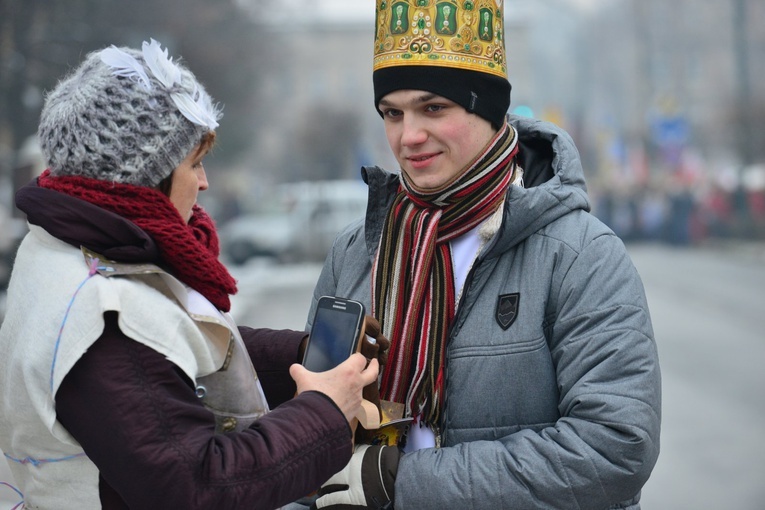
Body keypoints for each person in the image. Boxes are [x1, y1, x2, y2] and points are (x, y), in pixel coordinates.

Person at [305, 1, 662, 508]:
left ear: (488, 111)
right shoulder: (356, 252)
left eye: (434, 108)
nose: (409, 136)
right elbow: (310, 426)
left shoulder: (581, 255)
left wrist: (401, 482)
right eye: (392, 112)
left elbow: (613, 449)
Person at [0, 39, 381, 510]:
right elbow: (200, 488)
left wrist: (300, 356)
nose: (205, 183)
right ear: (141, 175)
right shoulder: (103, 317)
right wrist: (324, 411)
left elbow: (169, 356)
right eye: (194, 164)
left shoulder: (68, 245)